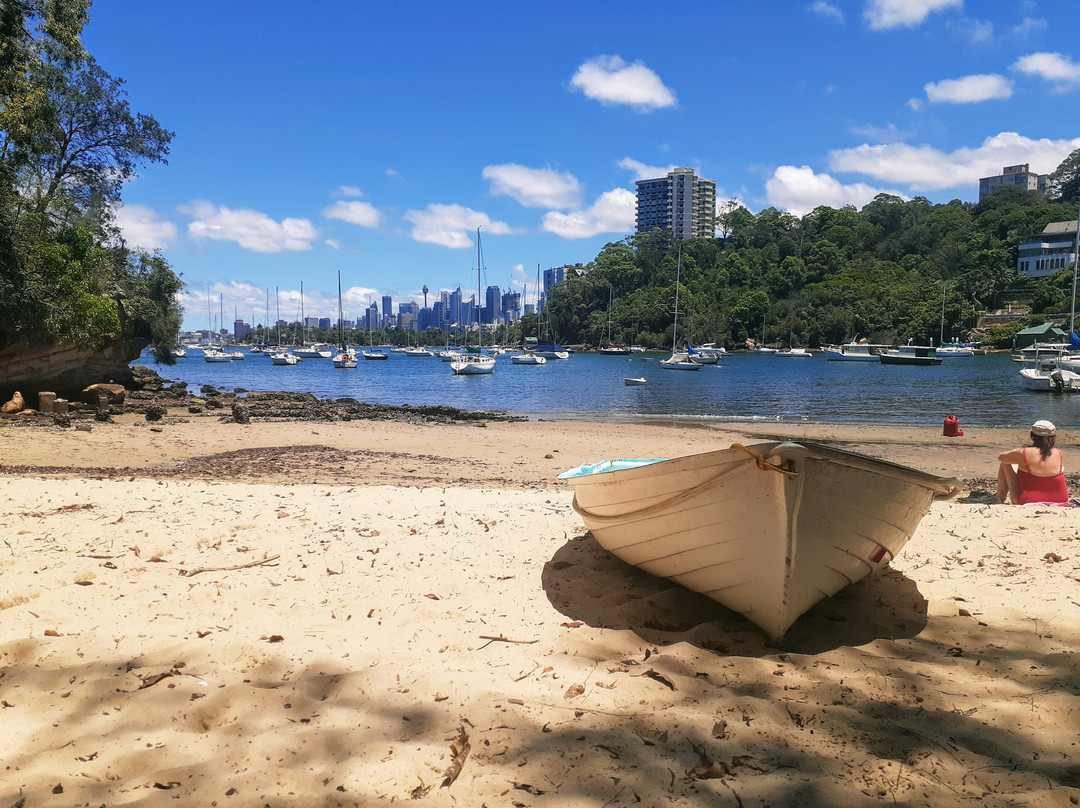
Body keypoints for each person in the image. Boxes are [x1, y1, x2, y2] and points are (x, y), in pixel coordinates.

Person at [996, 420, 1070, 505]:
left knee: (1005, 463)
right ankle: (1000, 498)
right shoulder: (1058, 452)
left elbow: (1000, 457)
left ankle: (1000, 498)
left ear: (1032, 435)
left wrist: (1018, 454)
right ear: (1053, 437)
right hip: (1060, 499)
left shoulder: (1023, 452)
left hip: (1026, 500)